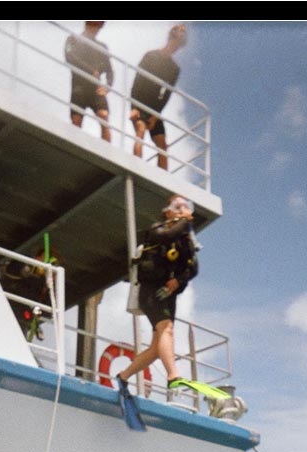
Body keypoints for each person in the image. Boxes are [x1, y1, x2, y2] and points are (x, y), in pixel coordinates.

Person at [118, 194, 199, 396]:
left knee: (156, 348)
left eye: (185, 206)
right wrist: (185, 222)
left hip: (167, 294)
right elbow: (166, 237)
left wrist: (177, 282)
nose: (182, 210)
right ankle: (173, 376)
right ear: (167, 211)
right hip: (150, 291)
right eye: (177, 206)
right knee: (166, 329)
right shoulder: (157, 229)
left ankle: (123, 376)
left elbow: (193, 268)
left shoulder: (185, 241)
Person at [130, 24, 187, 170]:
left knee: (162, 144)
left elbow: (167, 93)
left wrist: (156, 114)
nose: (176, 47)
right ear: (170, 38)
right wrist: (134, 107)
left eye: (179, 45)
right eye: (176, 42)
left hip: (154, 107)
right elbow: (137, 81)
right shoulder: (151, 56)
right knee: (140, 131)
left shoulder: (175, 68)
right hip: (139, 101)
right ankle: (136, 168)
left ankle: (163, 178)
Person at [64, 22, 114, 142]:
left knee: (104, 116)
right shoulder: (72, 39)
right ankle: (73, 151)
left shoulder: (102, 47)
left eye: (99, 25)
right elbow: (69, 57)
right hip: (78, 87)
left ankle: (106, 153)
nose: (96, 28)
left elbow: (110, 71)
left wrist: (107, 86)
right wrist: (91, 71)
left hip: (95, 89)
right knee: (76, 121)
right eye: (94, 24)